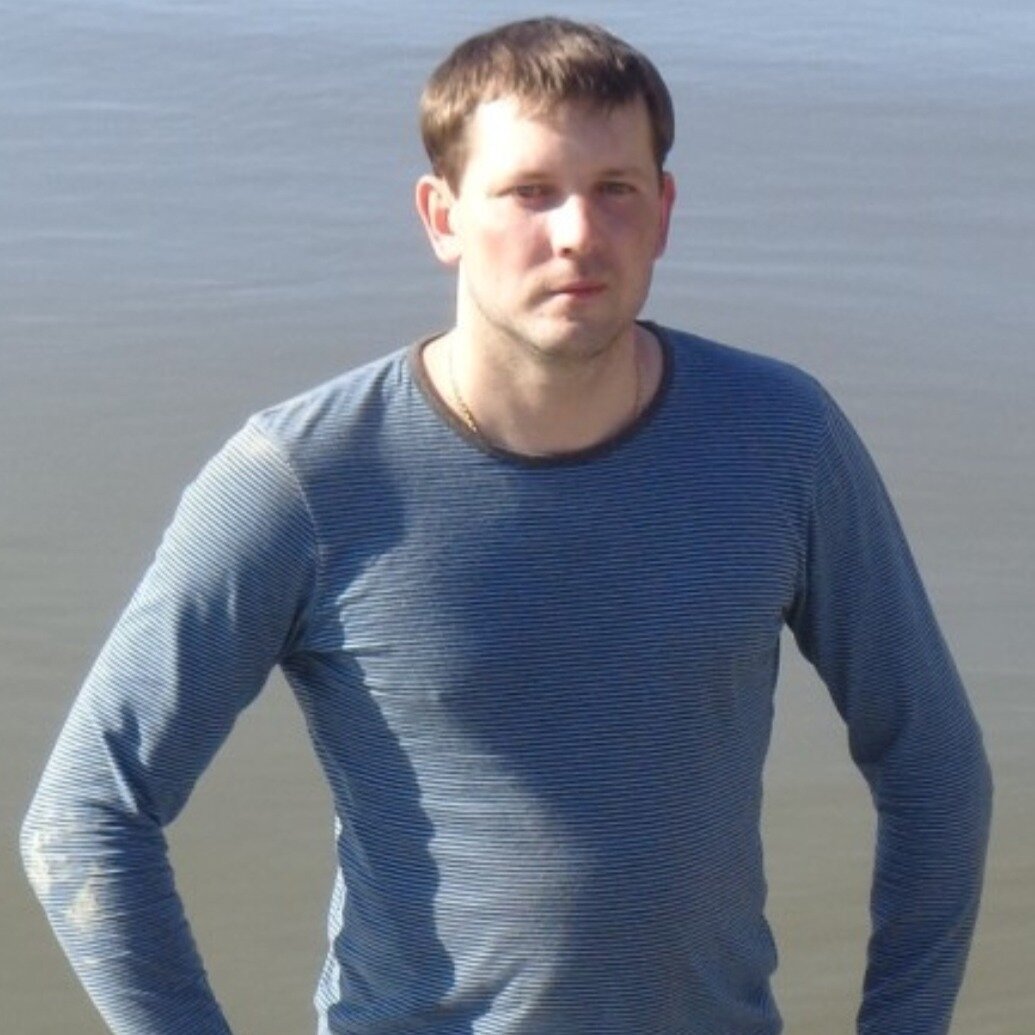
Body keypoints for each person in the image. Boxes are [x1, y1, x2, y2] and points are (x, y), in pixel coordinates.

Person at [22, 16, 992, 1035]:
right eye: (530, 192)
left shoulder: (781, 439)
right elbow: (85, 819)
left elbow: (934, 768)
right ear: (441, 216)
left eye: (615, 189)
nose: (578, 233)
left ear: (663, 212)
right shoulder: (303, 481)